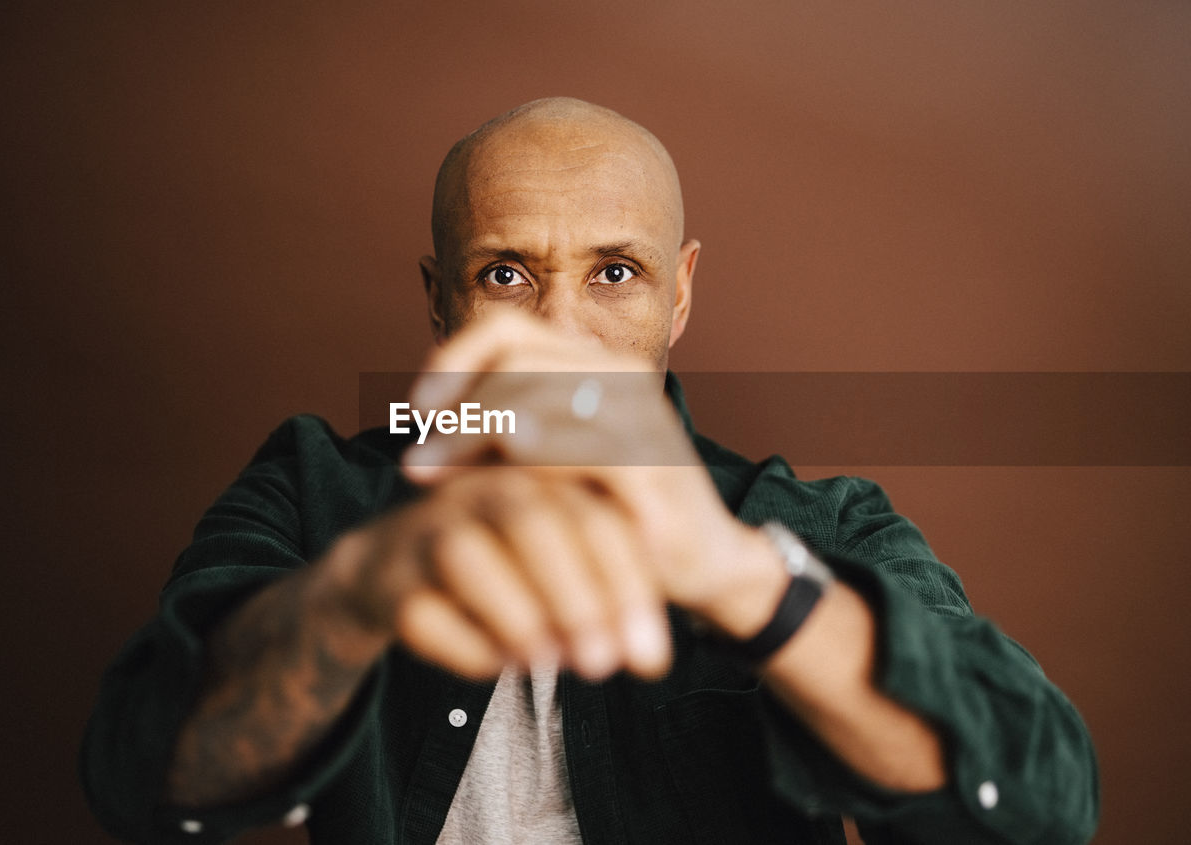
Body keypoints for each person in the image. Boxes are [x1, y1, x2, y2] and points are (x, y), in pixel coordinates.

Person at [81, 98, 1099, 844]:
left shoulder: (806, 526)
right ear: (438, 300)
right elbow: (140, 770)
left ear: (679, 295)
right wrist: (358, 590)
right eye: (505, 274)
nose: (560, 332)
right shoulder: (315, 487)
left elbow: (1043, 807)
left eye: (613, 273)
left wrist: (746, 584)